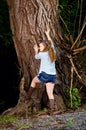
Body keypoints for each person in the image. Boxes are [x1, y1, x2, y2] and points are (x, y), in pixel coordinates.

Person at [25, 28, 56, 115]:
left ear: (45, 47)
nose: (39, 47)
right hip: (53, 76)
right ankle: (52, 110)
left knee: (34, 80)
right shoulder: (53, 51)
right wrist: (48, 34)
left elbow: (36, 57)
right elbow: (51, 42)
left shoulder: (42, 54)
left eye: (40, 46)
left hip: (45, 75)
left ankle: (27, 96)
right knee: (50, 93)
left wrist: (36, 51)